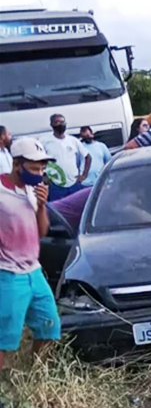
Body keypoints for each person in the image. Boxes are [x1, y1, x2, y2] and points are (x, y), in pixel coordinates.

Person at [0, 137, 61, 371]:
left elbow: (41, 231)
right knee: (4, 339)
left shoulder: (32, 191)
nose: (40, 173)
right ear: (17, 165)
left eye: (43, 168)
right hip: (8, 273)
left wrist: (42, 205)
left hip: (33, 271)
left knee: (49, 326)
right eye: (35, 168)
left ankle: (38, 378)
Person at [40, 114, 91, 201]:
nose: (60, 124)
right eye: (57, 122)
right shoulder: (44, 141)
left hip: (74, 184)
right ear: (51, 125)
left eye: (62, 122)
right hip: (56, 185)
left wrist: (84, 175)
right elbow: (38, 160)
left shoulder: (73, 140)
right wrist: (43, 176)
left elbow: (88, 157)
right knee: (57, 211)